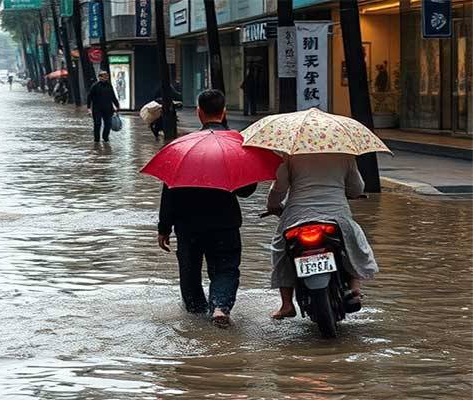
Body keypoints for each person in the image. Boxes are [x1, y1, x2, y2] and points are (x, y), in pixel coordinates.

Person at [157, 89, 257, 328]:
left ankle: (196, 319)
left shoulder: (182, 146)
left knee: (189, 273)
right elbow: (246, 190)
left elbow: (168, 190)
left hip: (188, 225)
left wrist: (164, 228)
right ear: (223, 112)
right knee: (226, 268)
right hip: (225, 224)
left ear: (199, 113)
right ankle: (220, 307)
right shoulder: (238, 144)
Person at [264, 154, 377, 320]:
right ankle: (354, 286)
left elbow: (279, 188)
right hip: (336, 216)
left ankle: (286, 304)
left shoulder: (289, 156)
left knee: (280, 248)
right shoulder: (344, 155)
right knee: (355, 241)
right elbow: (357, 188)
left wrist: (272, 206)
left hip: (297, 216)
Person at [86, 71, 120, 142]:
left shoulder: (109, 85)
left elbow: (113, 96)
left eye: (106, 76)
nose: (106, 78)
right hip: (97, 109)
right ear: (99, 77)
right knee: (97, 124)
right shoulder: (95, 86)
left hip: (108, 109)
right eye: (104, 76)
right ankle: (97, 140)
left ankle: (105, 138)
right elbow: (89, 97)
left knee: (108, 124)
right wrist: (89, 108)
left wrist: (117, 106)